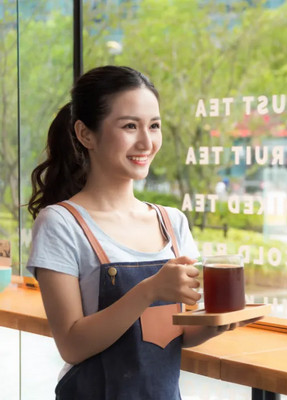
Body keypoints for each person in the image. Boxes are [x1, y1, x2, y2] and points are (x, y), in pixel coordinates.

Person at [26, 66, 251, 399]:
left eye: (154, 125)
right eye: (130, 126)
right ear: (86, 134)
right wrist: (148, 290)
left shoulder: (171, 222)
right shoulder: (61, 223)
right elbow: (72, 345)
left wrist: (215, 322)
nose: (147, 141)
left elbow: (171, 333)